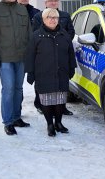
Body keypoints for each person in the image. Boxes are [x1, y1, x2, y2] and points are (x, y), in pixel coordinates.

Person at [0, 0, 32, 136]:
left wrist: (30, 55)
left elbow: (28, 33)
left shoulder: (22, 9)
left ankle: (16, 117)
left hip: (21, 56)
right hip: (5, 57)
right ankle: (8, 122)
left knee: (19, 89)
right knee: (8, 89)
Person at [25, 8, 77, 136]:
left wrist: (71, 68)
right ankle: (50, 124)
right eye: (50, 17)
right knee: (47, 100)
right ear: (43, 19)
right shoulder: (36, 36)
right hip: (43, 74)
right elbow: (30, 56)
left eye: (55, 17)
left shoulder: (64, 34)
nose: (53, 20)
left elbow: (70, 53)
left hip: (61, 72)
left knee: (60, 100)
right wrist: (30, 73)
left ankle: (58, 123)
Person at [32, 0, 75, 115]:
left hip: (61, 53)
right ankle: (41, 104)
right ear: (45, 3)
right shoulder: (38, 17)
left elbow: (71, 32)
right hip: (44, 53)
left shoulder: (65, 16)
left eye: (56, 0)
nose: (53, 3)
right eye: (50, 1)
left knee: (61, 81)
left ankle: (62, 107)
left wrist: (63, 41)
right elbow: (34, 34)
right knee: (43, 81)